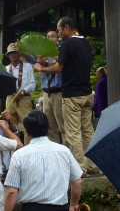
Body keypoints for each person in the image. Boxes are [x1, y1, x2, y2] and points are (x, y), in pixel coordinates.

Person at [33, 16, 99, 174]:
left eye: (59, 29)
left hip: (72, 95)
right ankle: (93, 165)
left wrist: (41, 68)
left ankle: (79, 168)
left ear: (68, 27)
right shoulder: (85, 43)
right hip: (87, 93)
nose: (58, 33)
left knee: (73, 132)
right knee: (88, 131)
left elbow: (58, 68)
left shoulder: (68, 44)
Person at [24, 27, 65, 143]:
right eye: (48, 37)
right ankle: (54, 152)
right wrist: (21, 50)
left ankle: (67, 152)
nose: (50, 38)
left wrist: (43, 65)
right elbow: (30, 59)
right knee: (50, 126)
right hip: (46, 93)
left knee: (63, 126)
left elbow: (58, 68)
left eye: (53, 36)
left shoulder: (61, 51)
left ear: (57, 38)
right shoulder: (42, 54)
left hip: (59, 92)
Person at [5, 42, 36, 144]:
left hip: (24, 98)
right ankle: (14, 151)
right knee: (11, 125)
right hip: (10, 97)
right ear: (8, 56)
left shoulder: (27, 66)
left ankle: (28, 148)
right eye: (10, 53)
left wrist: (22, 92)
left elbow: (32, 84)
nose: (12, 55)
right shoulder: (6, 69)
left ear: (19, 54)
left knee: (27, 125)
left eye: (14, 52)